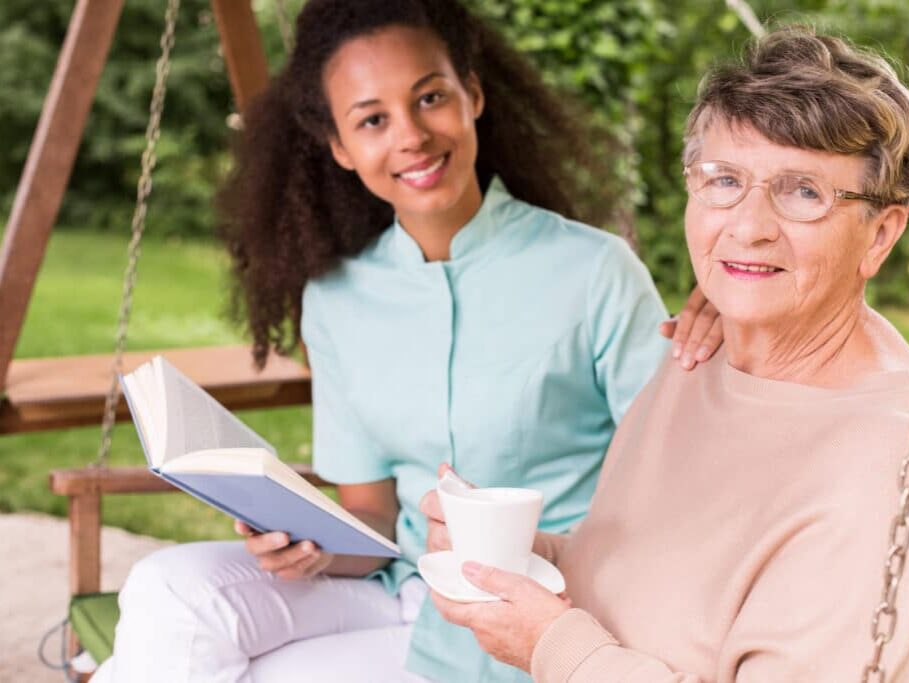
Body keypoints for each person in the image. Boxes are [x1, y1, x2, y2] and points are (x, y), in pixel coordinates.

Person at [92, 1, 721, 681]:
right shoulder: (336, 301)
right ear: (338, 144)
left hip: (539, 613)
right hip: (402, 597)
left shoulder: (594, 271)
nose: (412, 136)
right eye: (372, 119)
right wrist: (314, 544)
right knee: (168, 588)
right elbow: (373, 516)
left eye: (430, 98)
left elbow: (674, 472)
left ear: (472, 95)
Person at [429, 26, 909, 682]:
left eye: (804, 192)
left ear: (881, 234)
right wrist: (516, 556)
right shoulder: (703, 349)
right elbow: (646, 583)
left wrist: (552, 643)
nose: (748, 226)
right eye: (723, 180)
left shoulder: (880, 480)